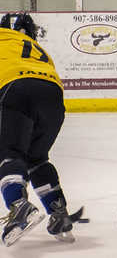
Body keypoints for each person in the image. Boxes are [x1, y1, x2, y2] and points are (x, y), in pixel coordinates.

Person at [0, 12, 78, 246]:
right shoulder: (37, 49)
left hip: (16, 88)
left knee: (9, 154)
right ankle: (59, 214)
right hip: (53, 96)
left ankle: (18, 207)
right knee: (37, 158)